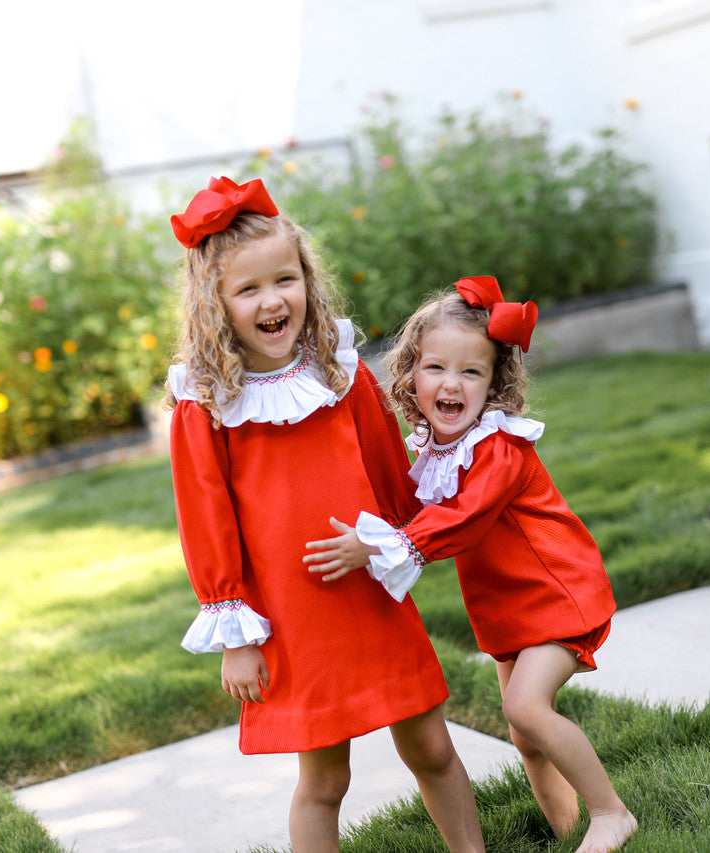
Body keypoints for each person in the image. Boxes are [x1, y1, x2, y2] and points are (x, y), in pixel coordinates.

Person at [164, 177, 485, 853]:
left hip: (368, 592)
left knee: (430, 743)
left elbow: (386, 465)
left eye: (285, 279)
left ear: (306, 278)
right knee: (324, 779)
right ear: (214, 302)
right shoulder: (207, 401)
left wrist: (402, 539)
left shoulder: (337, 367)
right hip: (295, 614)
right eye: (247, 289)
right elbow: (205, 515)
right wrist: (236, 630)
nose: (272, 299)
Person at [304, 276, 637, 853]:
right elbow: (407, 495)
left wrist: (381, 547)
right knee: (525, 734)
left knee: (526, 708)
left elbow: (463, 518)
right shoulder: (437, 450)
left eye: (471, 372)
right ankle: (571, 832)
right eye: (435, 369)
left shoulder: (500, 448)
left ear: (496, 383)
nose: (451, 384)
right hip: (510, 610)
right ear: (411, 377)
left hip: (558, 594)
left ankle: (610, 813)